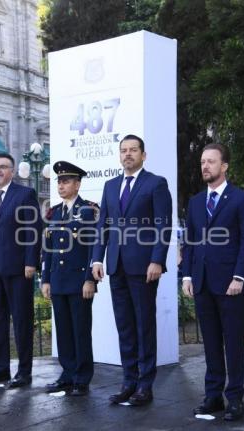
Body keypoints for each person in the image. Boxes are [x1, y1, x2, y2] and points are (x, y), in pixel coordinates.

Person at [92, 134, 172, 406]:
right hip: (116, 266)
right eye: (123, 150)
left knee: (144, 325)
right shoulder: (110, 185)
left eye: (133, 150)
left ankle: (145, 385)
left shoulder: (156, 184)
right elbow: (102, 225)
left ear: (143, 155)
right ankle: (128, 381)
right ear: (119, 155)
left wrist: (157, 260)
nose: (128, 154)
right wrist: (96, 259)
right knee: (125, 326)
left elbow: (163, 226)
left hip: (144, 267)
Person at [182, 143, 244, 421]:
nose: (205, 166)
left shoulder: (242, 199)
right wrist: (187, 275)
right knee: (211, 343)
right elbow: (189, 241)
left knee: (233, 343)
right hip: (202, 283)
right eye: (202, 162)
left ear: (224, 166)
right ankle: (213, 396)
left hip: (230, 284)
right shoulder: (194, 202)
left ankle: (235, 398)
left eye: (211, 162)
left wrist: (240, 276)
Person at [0, 153, 42, 388]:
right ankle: (1, 369)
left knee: (22, 320)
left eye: (3, 167)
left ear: (12, 171)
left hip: (19, 270)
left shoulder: (25, 194)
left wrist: (31, 262)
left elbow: (33, 231)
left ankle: (24, 372)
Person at [41, 161, 98, 396]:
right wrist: (45, 279)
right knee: (63, 331)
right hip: (58, 280)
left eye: (66, 181)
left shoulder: (89, 210)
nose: (61, 186)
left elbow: (93, 247)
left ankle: (82, 378)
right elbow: (48, 249)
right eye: (59, 182)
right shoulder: (54, 212)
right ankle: (67, 374)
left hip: (79, 282)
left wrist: (90, 280)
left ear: (77, 184)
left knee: (80, 330)